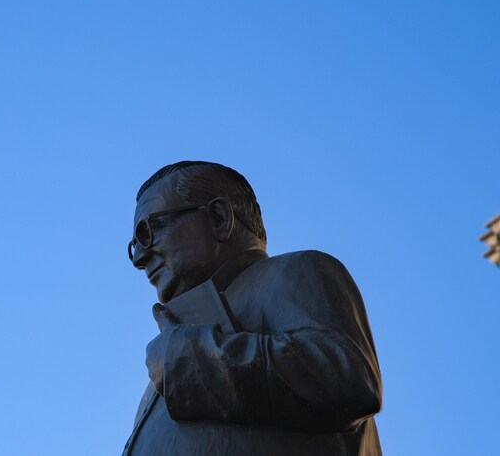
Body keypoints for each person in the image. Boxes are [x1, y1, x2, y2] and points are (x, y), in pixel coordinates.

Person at [123, 161, 382, 456]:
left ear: (219, 218)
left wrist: (191, 359)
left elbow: (349, 380)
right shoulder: (168, 358)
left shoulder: (294, 272)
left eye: (147, 231)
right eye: (134, 245)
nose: (140, 258)